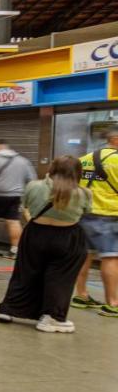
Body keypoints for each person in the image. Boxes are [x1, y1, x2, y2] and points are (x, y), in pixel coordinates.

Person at [0, 155, 90, 333]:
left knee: (25, 272)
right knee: (60, 278)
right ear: (78, 172)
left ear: (53, 168)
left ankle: (9, 309)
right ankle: (51, 317)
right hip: (68, 237)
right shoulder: (83, 193)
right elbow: (86, 211)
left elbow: (24, 205)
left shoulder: (34, 186)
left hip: (35, 233)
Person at [73, 128, 118, 316]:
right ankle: (113, 304)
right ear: (115, 140)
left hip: (84, 214)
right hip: (109, 214)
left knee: (84, 256)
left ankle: (81, 296)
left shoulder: (85, 159)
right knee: (111, 257)